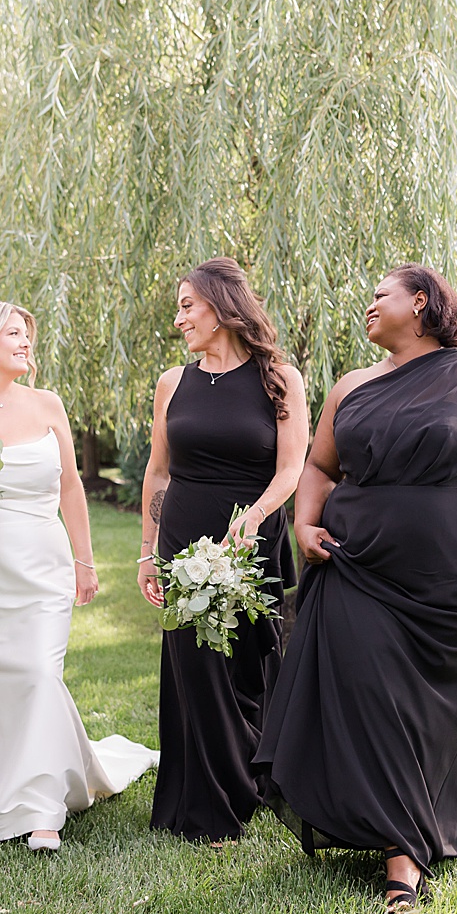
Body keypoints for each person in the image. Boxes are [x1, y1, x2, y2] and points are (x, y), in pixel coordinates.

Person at [253, 264, 457, 914]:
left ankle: (405, 835)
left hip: (451, 579)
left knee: (425, 716)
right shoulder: (350, 387)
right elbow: (320, 466)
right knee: (375, 700)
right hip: (356, 565)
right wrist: (302, 523)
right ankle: (402, 865)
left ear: (421, 302)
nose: (367, 305)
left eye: (378, 294)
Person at [0, 301, 157, 849]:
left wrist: (85, 560)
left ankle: (43, 808)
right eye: (15, 334)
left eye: (29, 334)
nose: (27, 343)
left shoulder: (48, 404)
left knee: (37, 674)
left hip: (42, 561)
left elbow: (71, 486)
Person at [136, 259, 309, 843]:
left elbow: (291, 469)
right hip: (183, 534)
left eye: (188, 305)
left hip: (249, 536)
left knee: (248, 663)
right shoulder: (171, 383)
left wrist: (254, 519)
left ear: (222, 306)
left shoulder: (279, 378)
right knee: (194, 664)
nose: (179, 317)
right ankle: (204, 803)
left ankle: (253, 779)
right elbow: (158, 472)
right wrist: (146, 550)